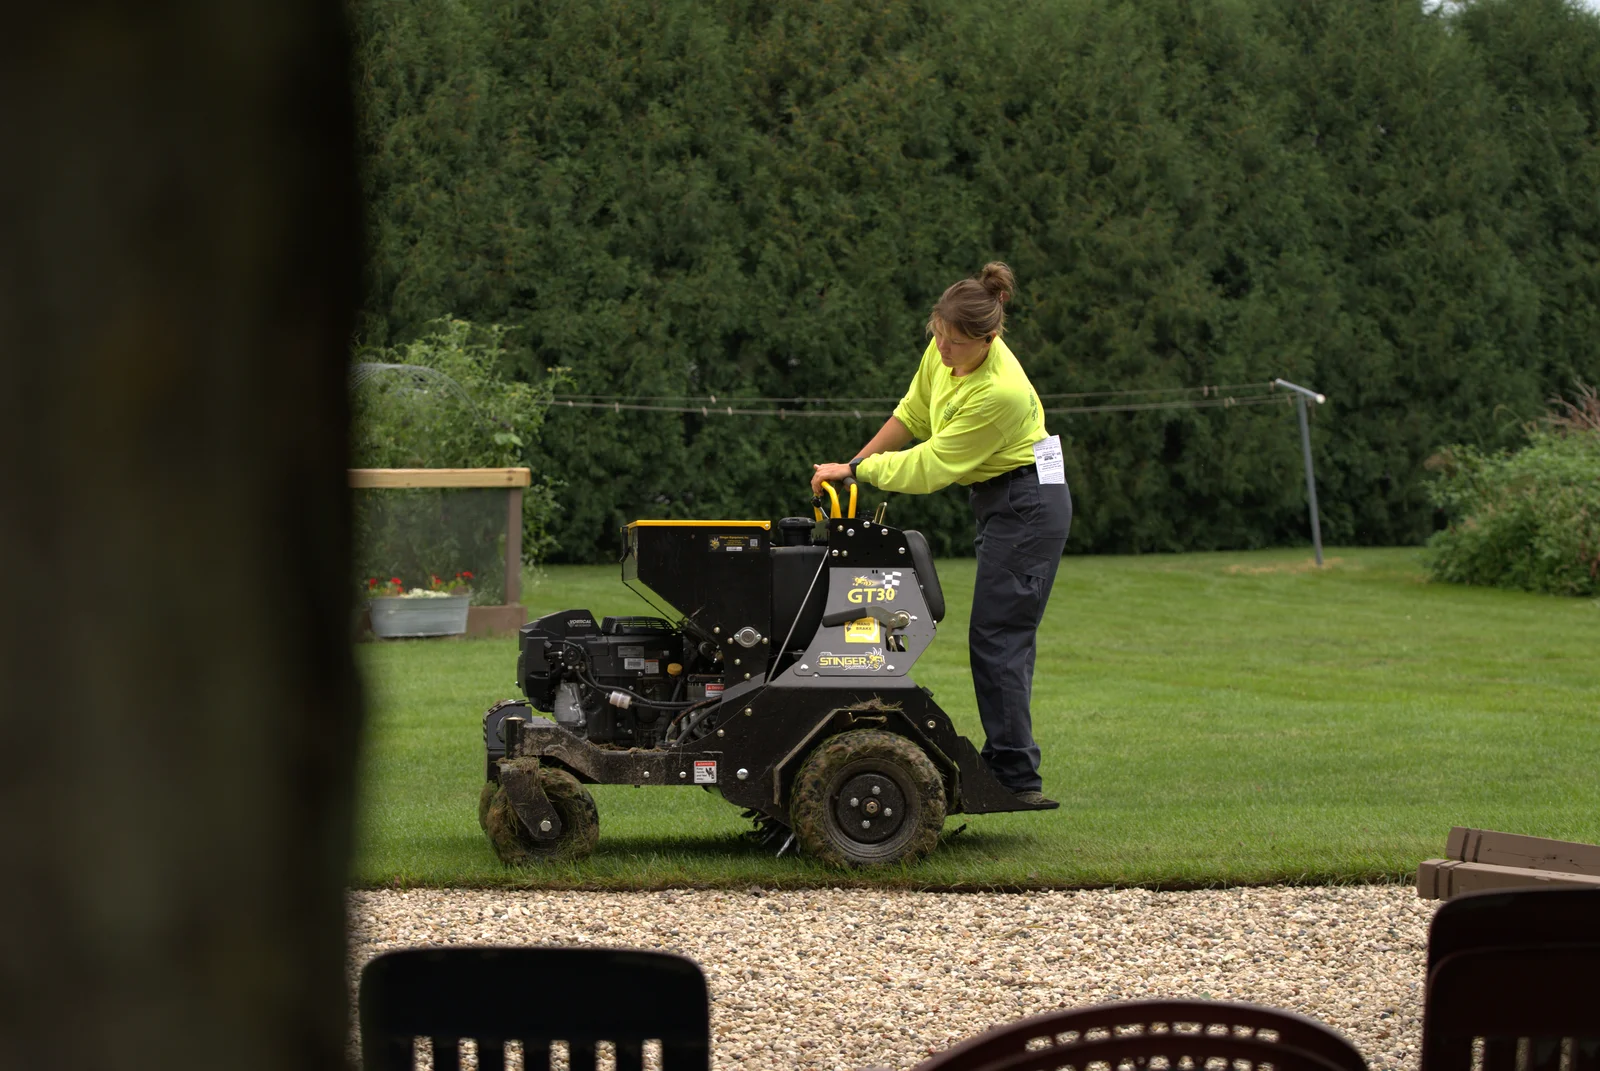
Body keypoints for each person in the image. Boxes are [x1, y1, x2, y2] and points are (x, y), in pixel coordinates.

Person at [810, 262, 1071, 808]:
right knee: (998, 636)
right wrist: (852, 465)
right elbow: (911, 414)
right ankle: (1010, 766)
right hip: (1001, 499)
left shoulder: (1000, 392)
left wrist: (859, 472)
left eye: (955, 342)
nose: (943, 349)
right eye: (938, 335)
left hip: (1028, 504)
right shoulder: (947, 348)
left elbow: (931, 466)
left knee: (999, 636)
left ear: (989, 339)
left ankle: (1015, 777)